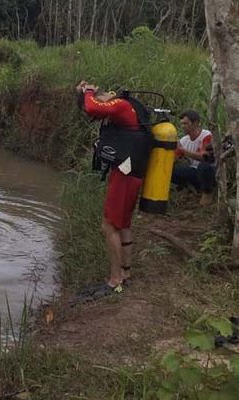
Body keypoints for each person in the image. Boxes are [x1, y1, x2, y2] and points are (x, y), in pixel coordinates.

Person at [75, 81, 151, 300]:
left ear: (101, 97)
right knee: (124, 224)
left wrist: (87, 92)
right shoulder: (129, 107)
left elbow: (91, 108)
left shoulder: (119, 105)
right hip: (132, 171)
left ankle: (115, 279)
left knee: (108, 226)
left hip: (125, 173)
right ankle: (126, 273)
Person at [171, 110, 215, 206]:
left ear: (195, 123)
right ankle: (191, 188)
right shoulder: (184, 140)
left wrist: (184, 151)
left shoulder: (206, 135)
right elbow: (174, 158)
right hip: (195, 172)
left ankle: (207, 193)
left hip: (209, 172)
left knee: (204, 166)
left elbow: (205, 157)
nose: (183, 126)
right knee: (169, 171)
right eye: (182, 124)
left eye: (186, 123)